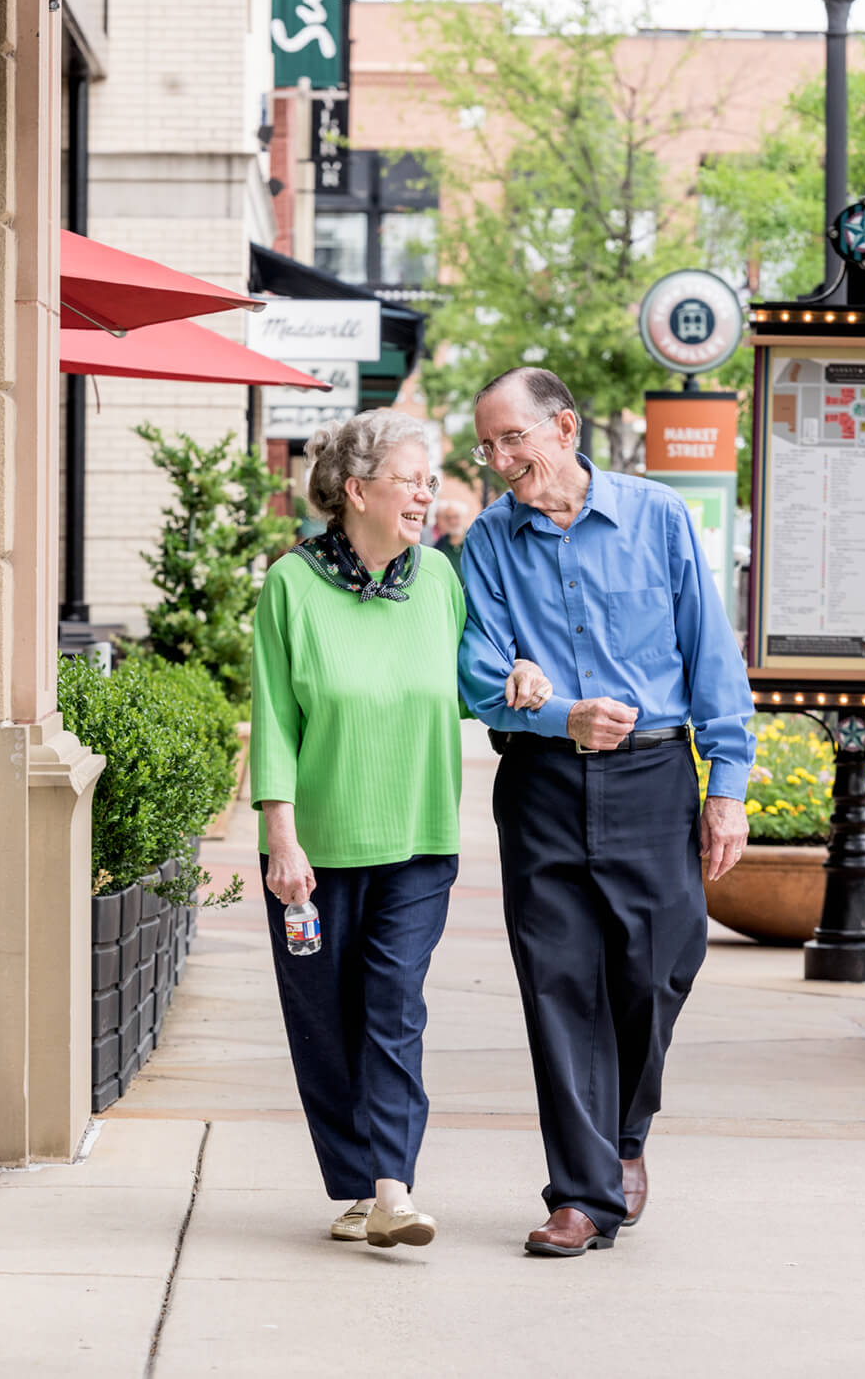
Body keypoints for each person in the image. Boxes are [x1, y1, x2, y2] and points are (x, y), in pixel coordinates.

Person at [458, 367, 755, 1258]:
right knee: (558, 986)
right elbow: (477, 674)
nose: (501, 459)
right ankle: (582, 1193)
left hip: (655, 777)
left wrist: (727, 786)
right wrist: (553, 712)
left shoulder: (656, 517)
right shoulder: (487, 541)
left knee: (658, 968)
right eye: (488, 445)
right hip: (544, 784)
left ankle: (625, 1135)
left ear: (564, 428)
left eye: (513, 438)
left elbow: (711, 654)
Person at [250, 409, 550, 1250]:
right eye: (412, 480)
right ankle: (354, 1184)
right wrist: (281, 836)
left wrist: (517, 672)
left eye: (430, 480)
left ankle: (391, 1184)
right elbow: (273, 717)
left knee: (392, 1006)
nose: (428, 493)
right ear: (356, 490)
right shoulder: (292, 585)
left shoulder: (439, 581)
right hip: (315, 846)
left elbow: (473, 678)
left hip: (419, 841)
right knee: (323, 1017)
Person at [431, 499, 470, 582]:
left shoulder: (475, 543)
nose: (452, 521)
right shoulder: (438, 547)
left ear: (464, 518)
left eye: (456, 517)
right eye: (448, 518)